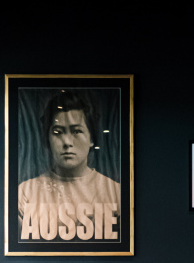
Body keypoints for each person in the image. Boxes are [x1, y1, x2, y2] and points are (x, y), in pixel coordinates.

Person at [17, 90, 120, 242]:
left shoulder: (115, 193)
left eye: (76, 131)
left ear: (91, 139)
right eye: (58, 132)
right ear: (48, 139)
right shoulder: (25, 193)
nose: (67, 142)